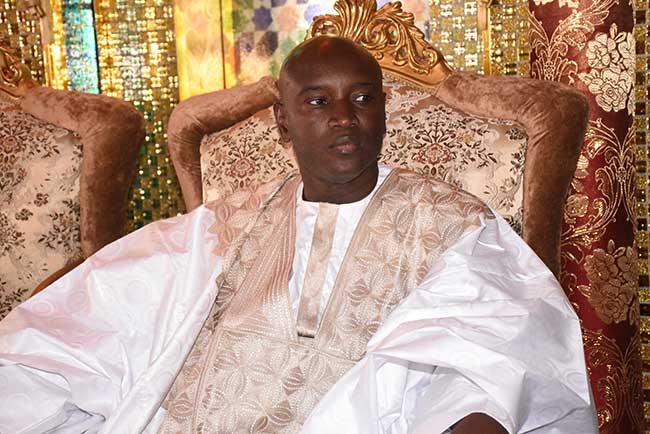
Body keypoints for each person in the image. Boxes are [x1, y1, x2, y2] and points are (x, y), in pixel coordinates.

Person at [0, 36, 596, 434]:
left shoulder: (449, 222)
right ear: (282, 120)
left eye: (362, 99)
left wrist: (476, 414)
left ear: (383, 111)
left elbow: (496, 347)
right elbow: (116, 296)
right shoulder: (230, 222)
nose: (344, 118)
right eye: (318, 102)